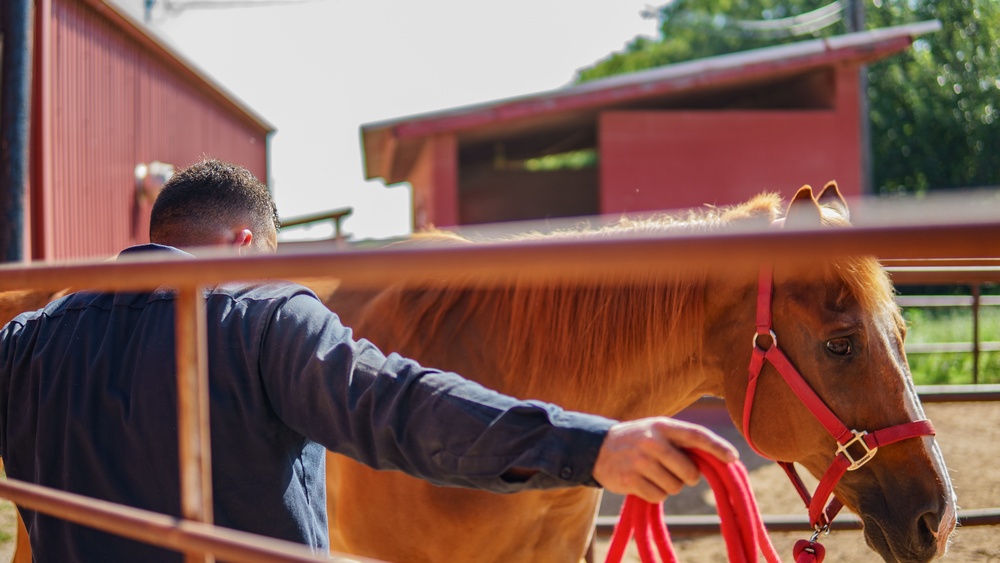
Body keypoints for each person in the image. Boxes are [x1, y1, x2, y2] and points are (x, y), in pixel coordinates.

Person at [0, 159, 738, 561]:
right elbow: (401, 404)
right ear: (245, 245)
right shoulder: (263, 318)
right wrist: (591, 443)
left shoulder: (29, 341)